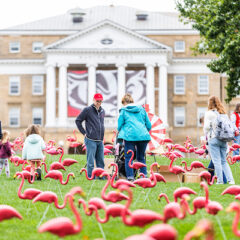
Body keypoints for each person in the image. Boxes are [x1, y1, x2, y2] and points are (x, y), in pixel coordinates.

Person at [117, 94, 151, 181]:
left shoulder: (123, 110)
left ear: (124, 102)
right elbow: (149, 125)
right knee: (141, 157)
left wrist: (120, 131)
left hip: (129, 136)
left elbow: (119, 125)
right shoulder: (142, 109)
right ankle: (144, 176)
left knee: (129, 157)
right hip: (143, 136)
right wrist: (143, 131)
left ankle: (130, 177)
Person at [203, 96, 235, 184]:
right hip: (224, 139)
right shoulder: (223, 113)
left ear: (210, 103)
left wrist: (206, 134)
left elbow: (206, 127)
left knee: (216, 161)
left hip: (213, 139)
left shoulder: (209, 113)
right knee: (224, 161)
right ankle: (231, 180)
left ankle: (220, 181)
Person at [75, 93, 105, 178]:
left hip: (100, 140)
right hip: (90, 139)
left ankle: (101, 178)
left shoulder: (103, 111)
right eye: (97, 101)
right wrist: (84, 132)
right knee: (91, 161)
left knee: (101, 161)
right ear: (93, 100)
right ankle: (90, 177)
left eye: (100, 101)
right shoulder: (87, 110)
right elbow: (78, 121)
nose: (99, 103)